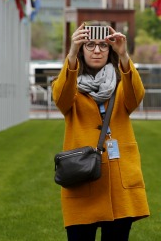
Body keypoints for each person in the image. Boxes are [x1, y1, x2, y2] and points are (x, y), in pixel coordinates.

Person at [52, 22, 150, 241]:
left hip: (118, 182)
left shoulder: (123, 82)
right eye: (89, 45)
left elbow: (137, 97)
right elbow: (61, 99)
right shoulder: (69, 83)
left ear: (109, 49)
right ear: (82, 49)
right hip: (82, 180)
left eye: (102, 46)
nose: (97, 50)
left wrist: (124, 55)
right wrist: (71, 53)